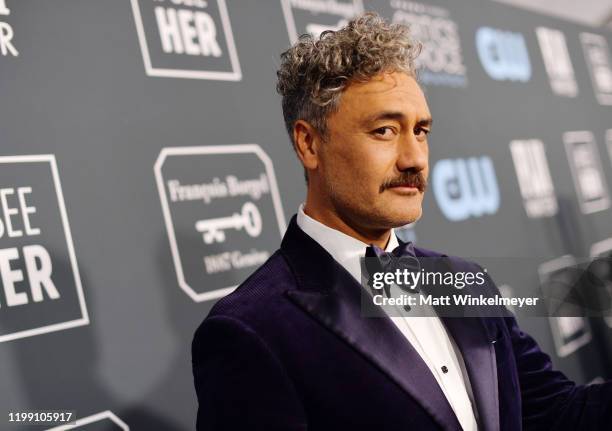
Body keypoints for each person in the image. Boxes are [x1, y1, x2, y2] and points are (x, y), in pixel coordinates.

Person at [191, 12, 612, 430]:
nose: (414, 159)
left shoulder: (462, 281)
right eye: (385, 131)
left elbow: (558, 414)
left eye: (421, 131)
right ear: (309, 143)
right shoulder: (251, 330)